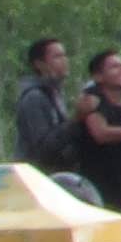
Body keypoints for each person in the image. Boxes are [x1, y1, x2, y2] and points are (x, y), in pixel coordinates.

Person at [70, 46, 121, 213]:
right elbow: (100, 134)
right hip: (99, 190)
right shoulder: (93, 101)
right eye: (115, 67)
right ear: (98, 76)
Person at [12, 37, 80, 178]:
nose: (64, 61)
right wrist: (76, 120)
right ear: (39, 64)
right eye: (57, 57)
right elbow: (43, 148)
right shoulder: (35, 97)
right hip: (37, 179)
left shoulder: (55, 94)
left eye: (65, 55)